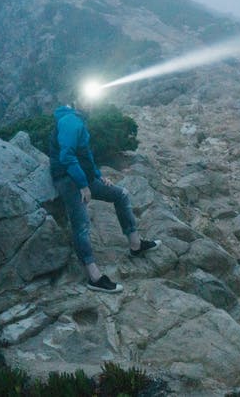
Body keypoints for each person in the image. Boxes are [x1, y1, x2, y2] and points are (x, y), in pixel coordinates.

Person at [50, 101, 159, 293]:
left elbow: (85, 153)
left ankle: (136, 245)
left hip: (82, 176)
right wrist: (83, 185)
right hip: (68, 179)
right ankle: (94, 277)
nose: (90, 102)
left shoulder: (78, 120)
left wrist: (98, 175)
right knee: (82, 225)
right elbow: (66, 156)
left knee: (121, 195)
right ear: (76, 100)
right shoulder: (70, 121)